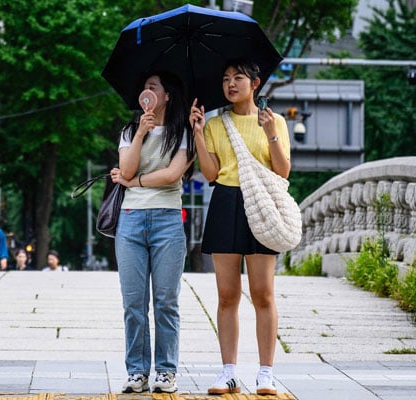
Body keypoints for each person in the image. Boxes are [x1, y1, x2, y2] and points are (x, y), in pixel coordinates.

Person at [189, 59, 291, 396]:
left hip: (260, 204)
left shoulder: (273, 121)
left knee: (263, 293)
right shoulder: (217, 124)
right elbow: (210, 174)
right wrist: (199, 134)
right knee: (227, 294)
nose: (231, 84)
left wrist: (271, 133)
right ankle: (228, 371)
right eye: (225, 78)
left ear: (255, 83)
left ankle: (266, 373)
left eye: (238, 78)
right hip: (225, 203)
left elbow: (283, 171)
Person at [110, 71, 195, 394]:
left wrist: (135, 183)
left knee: (165, 300)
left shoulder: (182, 132)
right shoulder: (130, 131)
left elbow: (173, 175)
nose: (146, 91)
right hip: (131, 220)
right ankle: (136, 372)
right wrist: (141, 134)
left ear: (167, 95)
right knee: (133, 302)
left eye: (153, 87)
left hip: (167, 220)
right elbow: (126, 168)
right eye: (144, 86)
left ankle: (166, 371)